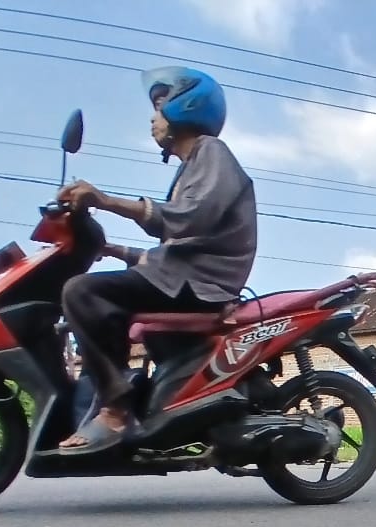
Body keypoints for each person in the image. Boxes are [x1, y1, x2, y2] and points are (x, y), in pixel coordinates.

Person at [53, 65, 258, 453]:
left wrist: (105, 200)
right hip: (185, 278)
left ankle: (115, 407)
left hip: (202, 286)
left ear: (187, 107)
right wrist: (116, 251)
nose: (153, 118)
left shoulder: (211, 152)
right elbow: (175, 249)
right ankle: (124, 399)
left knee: (81, 293)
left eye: (160, 106)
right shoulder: (192, 167)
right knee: (95, 295)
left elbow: (186, 219)